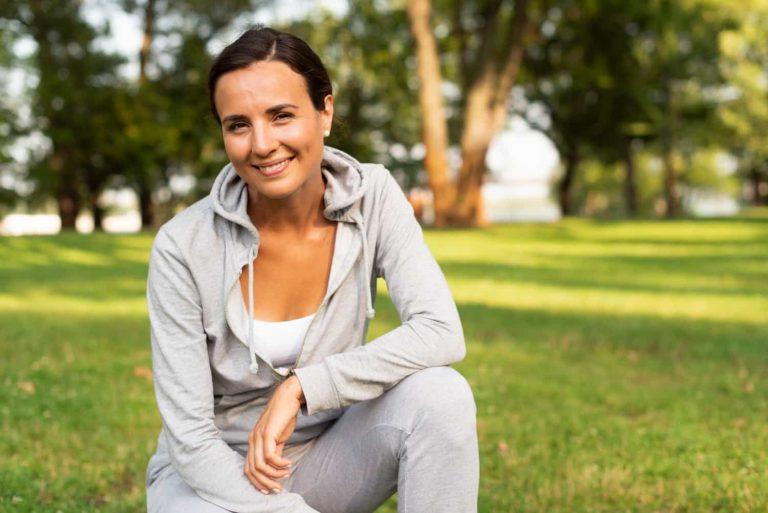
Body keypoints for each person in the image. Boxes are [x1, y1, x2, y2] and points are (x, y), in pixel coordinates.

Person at [144, 25, 479, 513]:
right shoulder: (182, 245)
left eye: (281, 116)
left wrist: (303, 388)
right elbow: (191, 438)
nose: (261, 144)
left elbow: (441, 332)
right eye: (238, 124)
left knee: (441, 394)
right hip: (211, 483)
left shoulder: (374, 197)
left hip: (329, 458)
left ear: (325, 111)